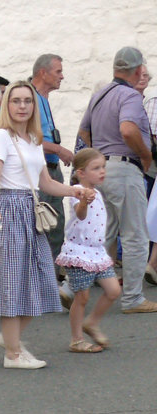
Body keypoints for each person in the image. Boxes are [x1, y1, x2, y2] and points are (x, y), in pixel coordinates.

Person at [0, 81, 88, 369]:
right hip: (8, 210)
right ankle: (12, 354)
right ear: (8, 105)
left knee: (41, 282)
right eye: (16, 101)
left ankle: (10, 339)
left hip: (31, 212)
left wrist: (74, 190)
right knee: (13, 283)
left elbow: (46, 183)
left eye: (27, 101)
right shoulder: (1, 137)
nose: (22, 106)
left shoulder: (33, 139)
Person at [78, 47, 156, 313]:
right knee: (135, 235)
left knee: (104, 232)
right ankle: (133, 298)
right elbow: (128, 129)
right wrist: (144, 156)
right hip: (125, 167)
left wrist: (100, 156)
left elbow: (84, 130)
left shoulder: (100, 95)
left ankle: (71, 288)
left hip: (103, 170)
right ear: (137, 70)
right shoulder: (130, 95)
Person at [56, 148, 119, 352]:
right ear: (81, 172)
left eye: (103, 167)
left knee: (113, 290)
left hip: (97, 252)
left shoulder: (98, 193)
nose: (102, 172)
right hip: (79, 251)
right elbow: (80, 214)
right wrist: (84, 200)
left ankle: (91, 322)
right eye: (96, 168)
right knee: (81, 297)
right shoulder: (77, 191)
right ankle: (76, 339)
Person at [30, 54, 75, 260]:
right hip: (40, 171)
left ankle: (52, 278)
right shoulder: (28, 98)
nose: (62, 76)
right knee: (41, 225)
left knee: (55, 225)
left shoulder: (42, 98)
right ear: (43, 72)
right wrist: (58, 150)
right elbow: (27, 140)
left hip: (51, 168)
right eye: (58, 71)